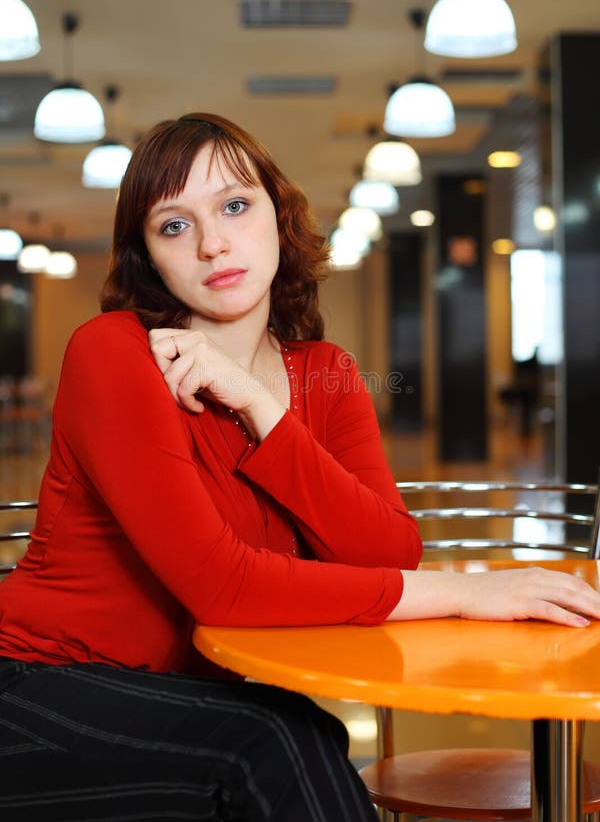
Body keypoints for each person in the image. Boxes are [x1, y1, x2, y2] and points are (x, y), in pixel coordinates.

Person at [0, 112, 598, 822]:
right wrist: (462, 593)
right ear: (148, 257)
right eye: (174, 225)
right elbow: (221, 586)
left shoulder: (325, 373)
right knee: (273, 743)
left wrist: (260, 406)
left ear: (278, 218)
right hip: (39, 683)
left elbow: (387, 548)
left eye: (233, 205)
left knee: (305, 732)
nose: (213, 242)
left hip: (180, 695)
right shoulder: (114, 353)